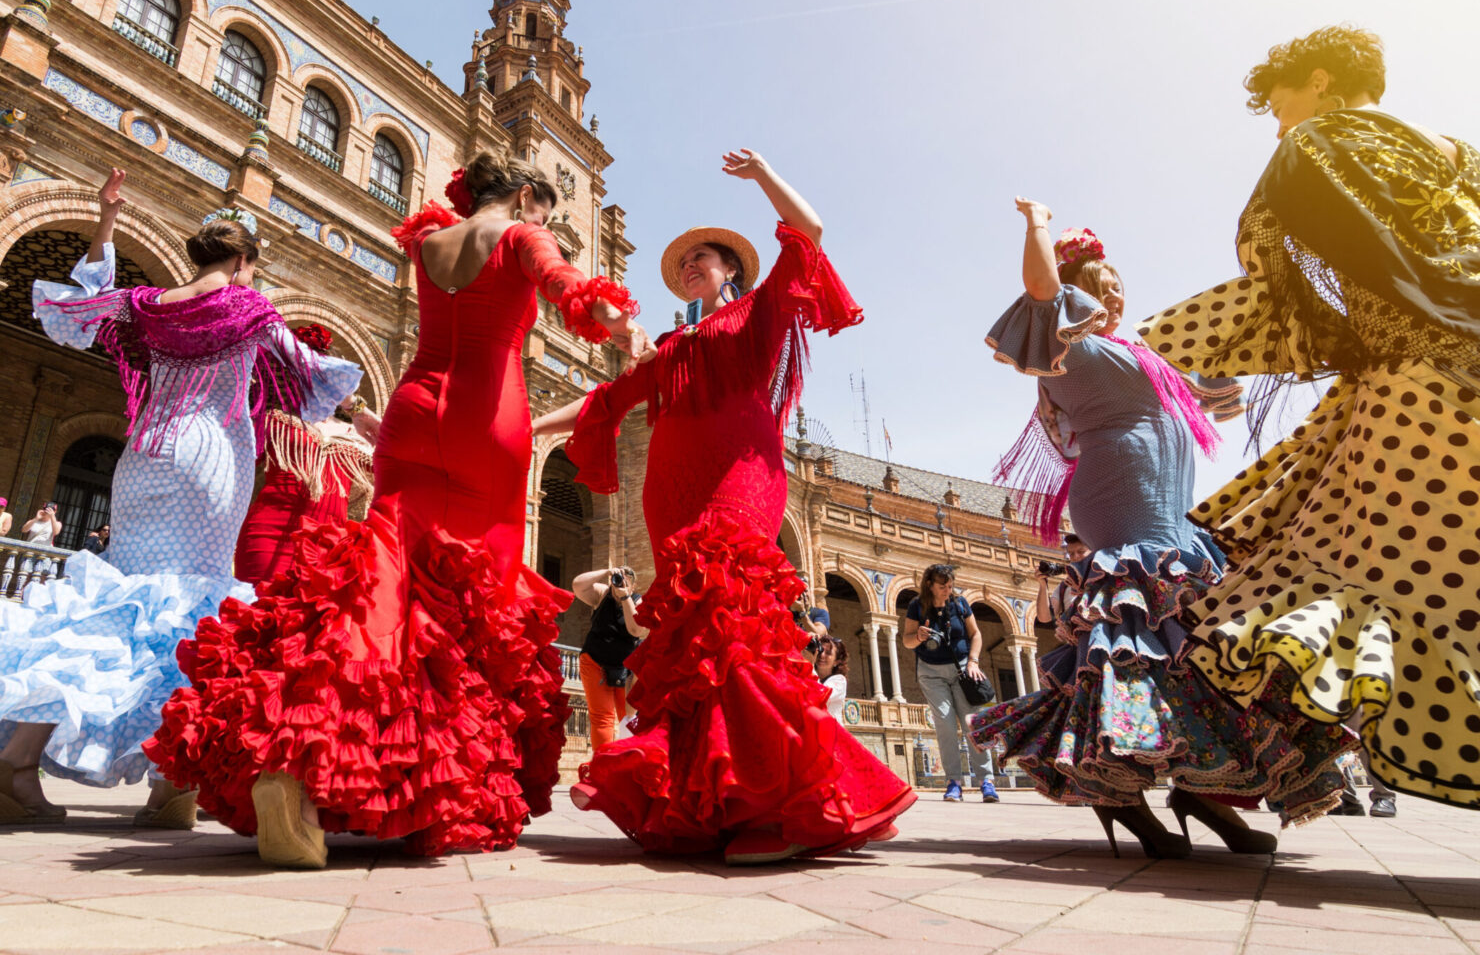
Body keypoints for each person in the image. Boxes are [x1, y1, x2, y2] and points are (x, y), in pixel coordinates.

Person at [147, 152, 648, 869]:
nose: (548, 225)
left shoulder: (431, 241)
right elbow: (567, 284)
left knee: (380, 584)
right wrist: (614, 319)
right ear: (529, 197)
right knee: (474, 605)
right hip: (487, 422)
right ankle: (424, 779)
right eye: (544, 212)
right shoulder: (518, 236)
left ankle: (296, 760)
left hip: (413, 409)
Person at [0, 169, 362, 827]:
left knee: (115, 604)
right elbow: (307, 375)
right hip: (208, 460)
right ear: (241, 262)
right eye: (250, 268)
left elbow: (80, 307)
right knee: (192, 611)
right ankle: (171, 785)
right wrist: (362, 417)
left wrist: (107, 221)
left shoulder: (147, 306)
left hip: (141, 459)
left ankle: (14, 765)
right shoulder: (246, 307)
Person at [535, 149, 915, 864]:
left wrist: (765, 173)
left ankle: (774, 803)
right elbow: (604, 403)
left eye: (703, 259)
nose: (689, 268)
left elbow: (811, 232)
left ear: (730, 270)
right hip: (670, 492)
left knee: (733, 617)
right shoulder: (671, 344)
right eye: (682, 263)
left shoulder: (758, 313)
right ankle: (717, 800)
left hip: (741, 475)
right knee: (693, 643)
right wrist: (523, 429)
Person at [1137, 25, 1480, 811]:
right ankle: (1232, 776)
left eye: (1281, 103)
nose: (1280, 122)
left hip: (1414, 394)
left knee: (1341, 590)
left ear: (1320, 82)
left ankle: (1224, 773)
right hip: (1459, 376)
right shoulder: (1460, 155)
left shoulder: (1320, 145)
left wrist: (1167, 343)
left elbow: (1280, 289)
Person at [969, 204, 1350, 859]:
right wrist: (1037, 224)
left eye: (1119, 291)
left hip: (1176, 518)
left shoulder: (1149, 355)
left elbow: (1228, 375)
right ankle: (1124, 792)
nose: (1114, 300)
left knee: (1200, 650)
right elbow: (1039, 291)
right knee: (1136, 651)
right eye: (1100, 289)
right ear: (1076, 292)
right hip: (1123, 509)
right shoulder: (1070, 348)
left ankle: (1205, 789)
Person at [231, 324, 379, 585]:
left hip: (328, 551)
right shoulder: (273, 417)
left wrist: (360, 409)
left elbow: (399, 471)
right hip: (266, 535)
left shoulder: (359, 434)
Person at [902, 564, 998, 803]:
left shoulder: (960, 603)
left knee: (971, 724)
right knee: (944, 724)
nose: (947, 590)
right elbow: (906, 641)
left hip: (962, 670)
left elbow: (975, 634)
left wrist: (973, 661)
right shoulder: (917, 606)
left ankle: (987, 780)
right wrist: (918, 637)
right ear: (929, 585)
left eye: (950, 586)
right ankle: (953, 782)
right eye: (942, 586)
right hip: (931, 672)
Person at [573, 566, 646, 750]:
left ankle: (627, 761)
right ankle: (601, 767)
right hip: (595, 661)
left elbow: (635, 630)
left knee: (628, 716)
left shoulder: (638, 601)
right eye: (618, 579)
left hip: (625, 668)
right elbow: (577, 585)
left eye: (626, 580)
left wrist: (625, 597)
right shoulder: (603, 593)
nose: (621, 582)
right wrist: (607, 572)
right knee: (602, 718)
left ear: (633, 584)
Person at [814, 636, 849, 724]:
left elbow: (819, 695)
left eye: (828, 653)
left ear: (836, 661)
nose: (822, 655)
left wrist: (809, 664)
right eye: (821, 650)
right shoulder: (808, 672)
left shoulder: (840, 680)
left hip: (830, 733)